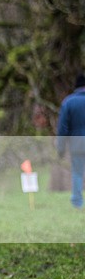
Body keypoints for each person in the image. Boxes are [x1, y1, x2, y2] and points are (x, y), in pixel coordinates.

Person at [56, 73, 85, 209]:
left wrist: (61, 147)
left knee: (77, 173)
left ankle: (77, 202)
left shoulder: (69, 102)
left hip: (77, 144)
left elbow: (63, 127)